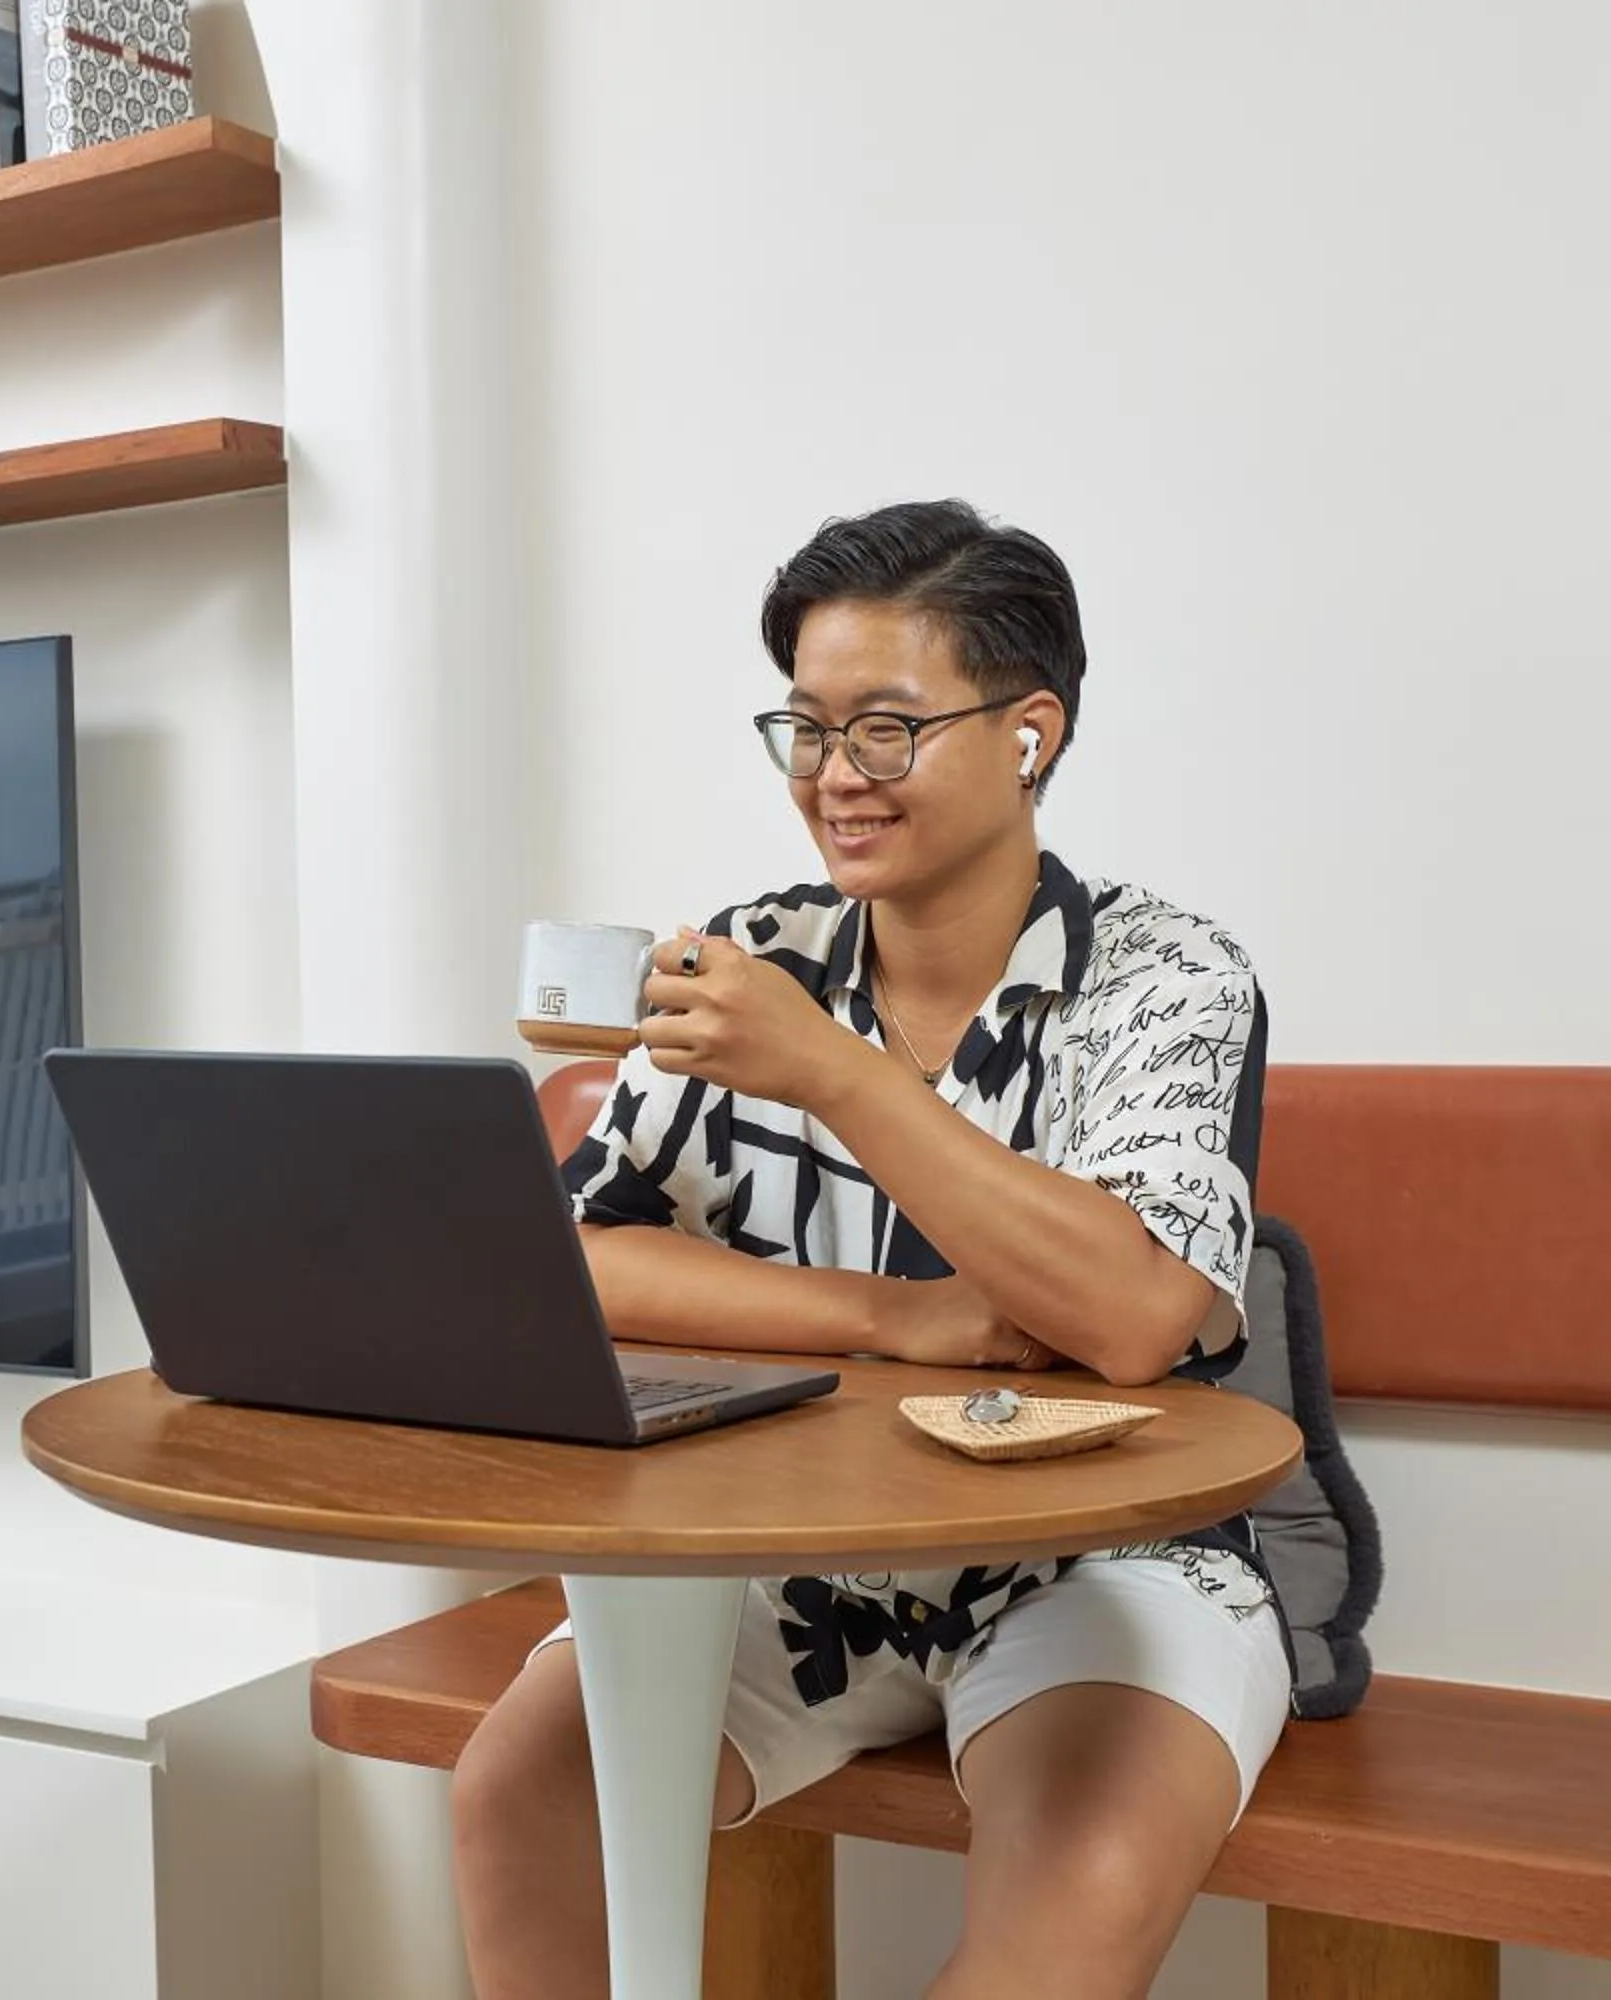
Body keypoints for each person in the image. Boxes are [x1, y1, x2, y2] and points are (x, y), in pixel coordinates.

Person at [448, 500, 1287, 2000]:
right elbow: (575, 1259)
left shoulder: (1167, 977)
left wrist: (832, 1072)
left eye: (886, 729)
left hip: (1102, 1566)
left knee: (1071, 1899)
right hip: (777, 1562)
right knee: (519, 1793)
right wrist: (896, 1316)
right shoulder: (752, 955)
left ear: (1029, 733)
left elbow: (1134, 1315)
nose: (835, 775)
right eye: (808, 729)